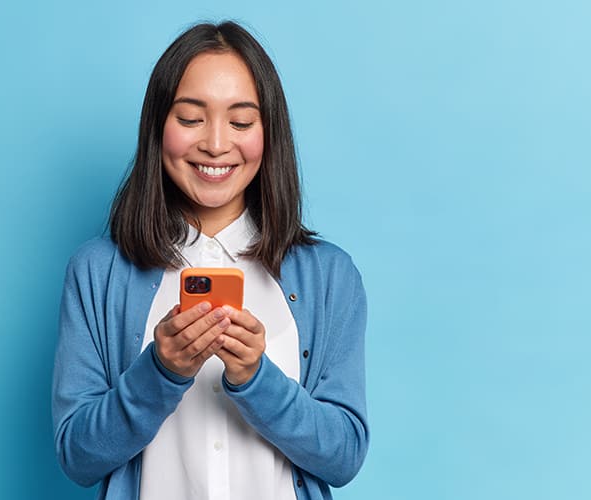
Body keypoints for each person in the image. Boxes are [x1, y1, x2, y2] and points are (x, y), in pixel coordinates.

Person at [52, 20, 368, 500]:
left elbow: (344, 457)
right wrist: (160, 371)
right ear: (158, 127)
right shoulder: (97, 271)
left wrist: (258, 378)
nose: (216, 144)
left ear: (269, 133)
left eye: (240, 122)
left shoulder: (329, 276)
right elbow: (78, 457)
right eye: (190, 118)